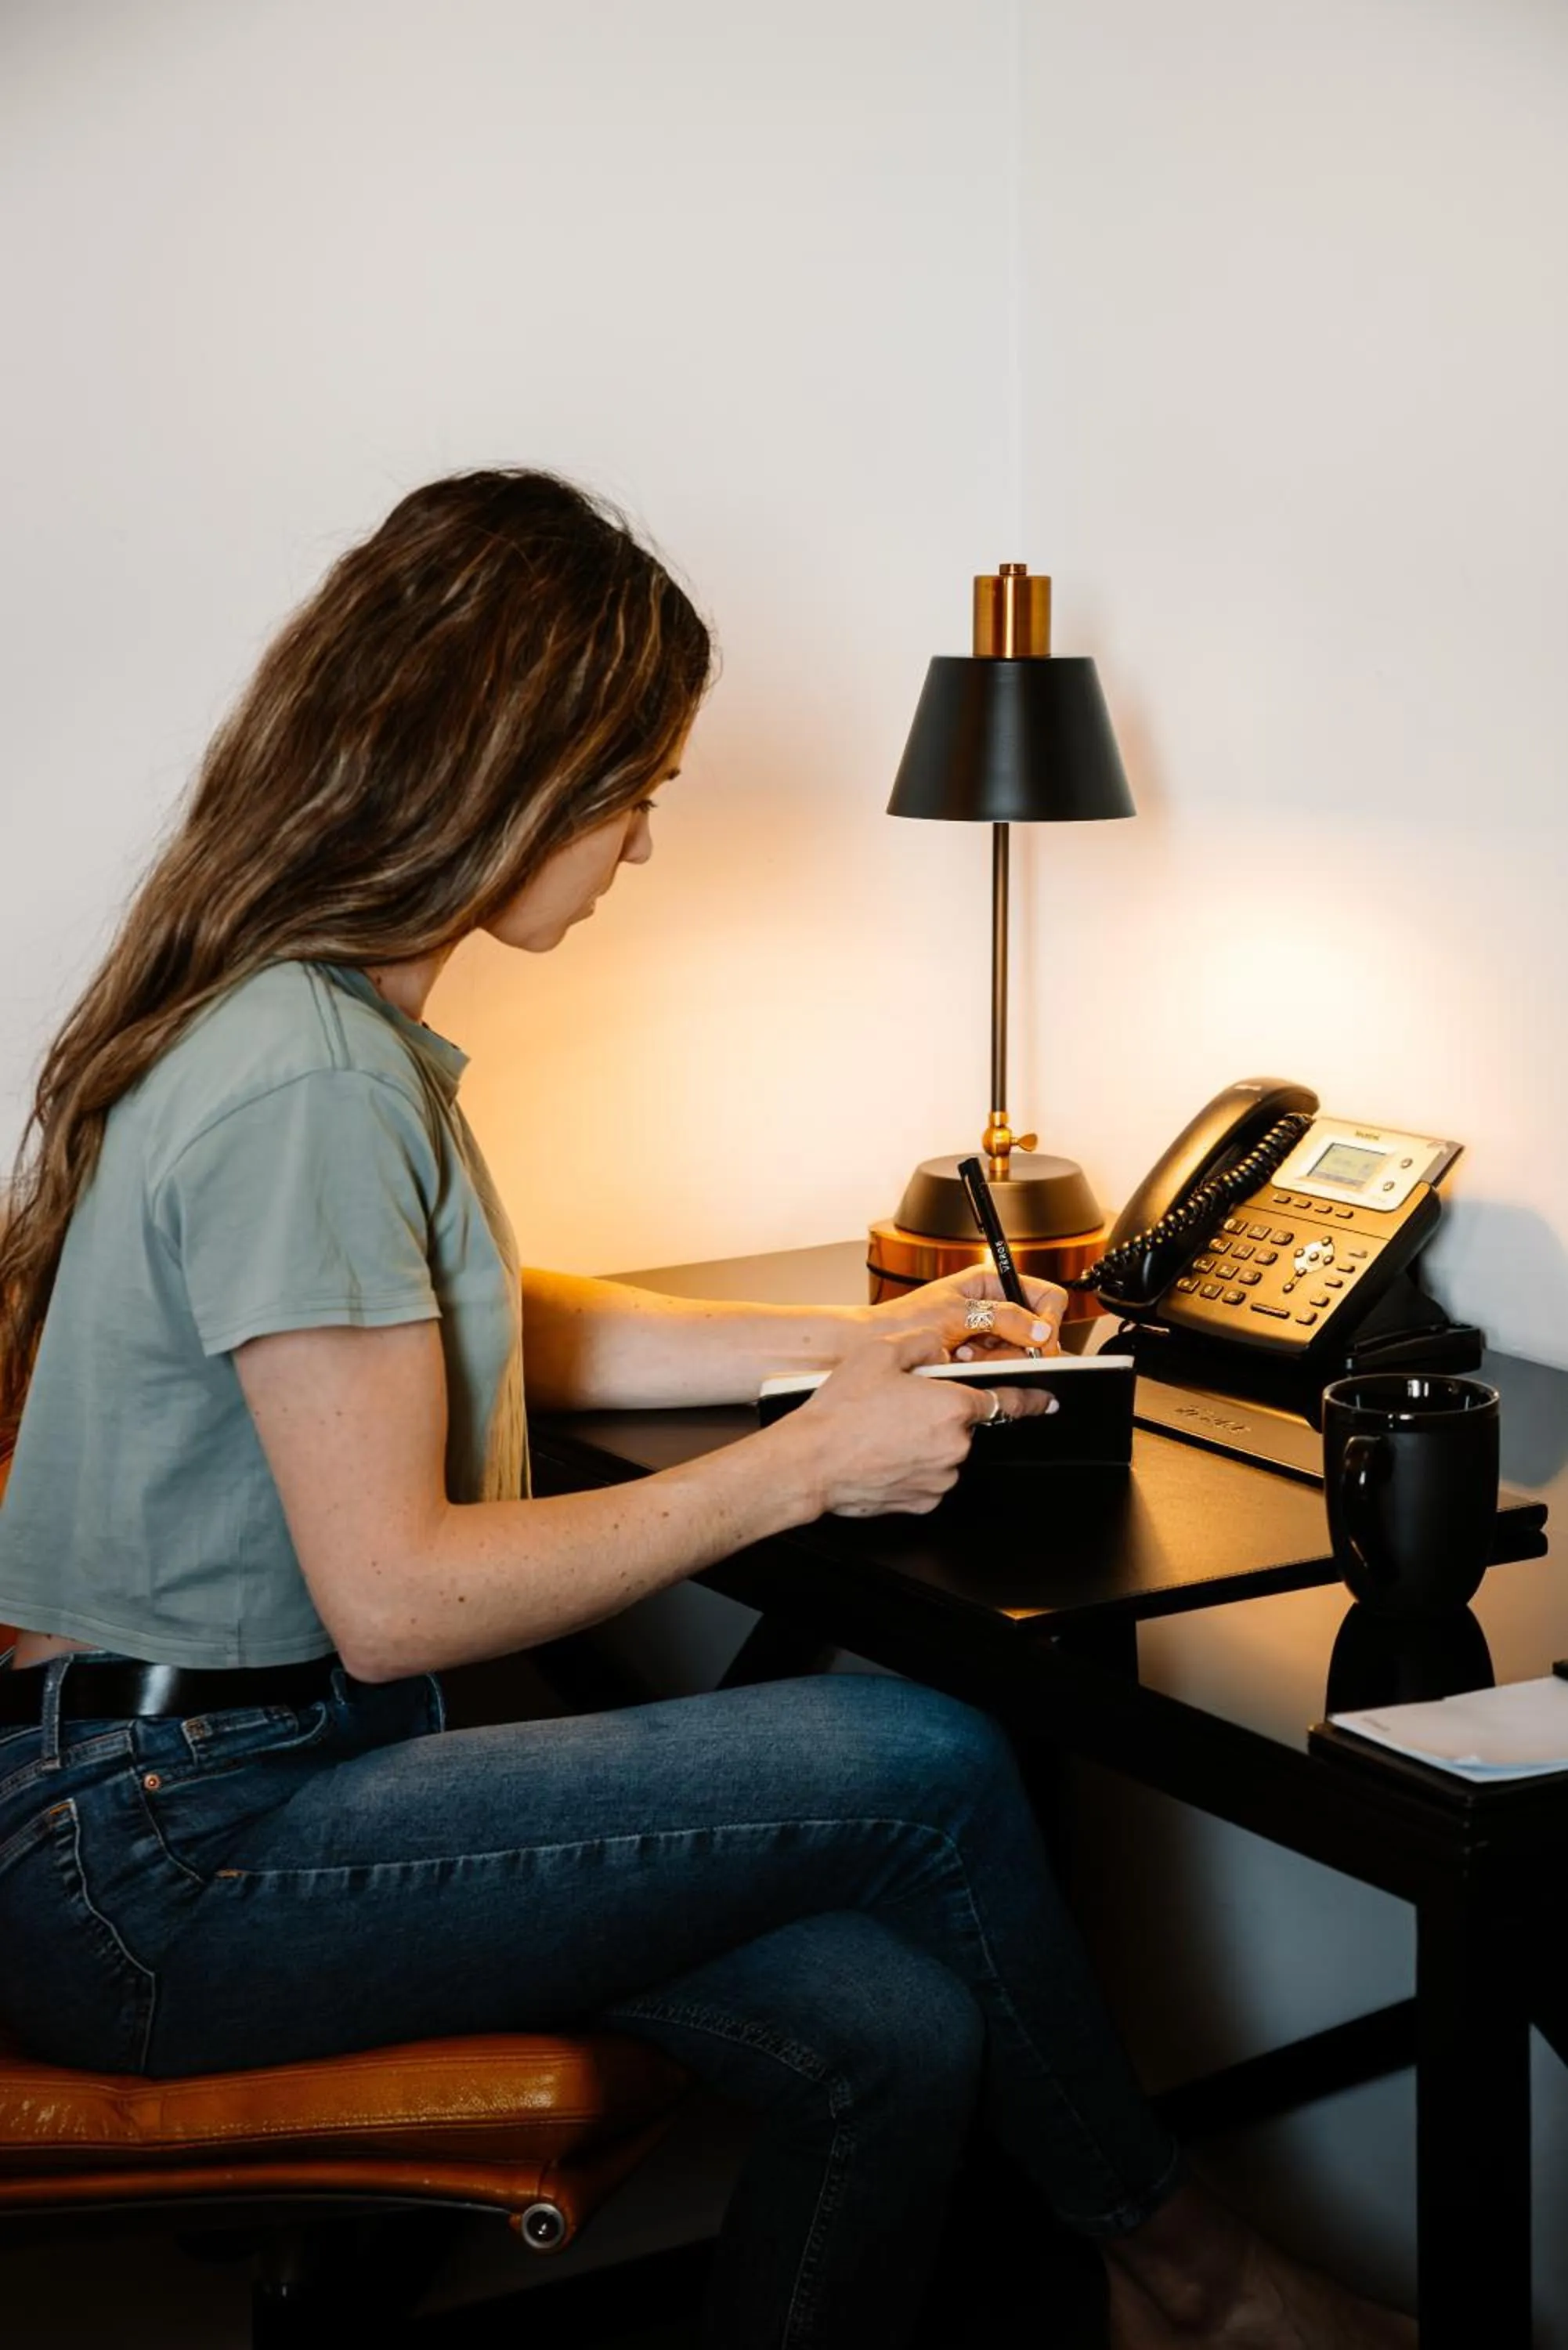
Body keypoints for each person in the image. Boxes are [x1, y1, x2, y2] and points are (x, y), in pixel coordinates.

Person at [0, 470, 1413, 2348]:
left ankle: (1143, 2271)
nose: (642, 845)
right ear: (503, 766)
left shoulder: (312, 1027)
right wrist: (800, 1470)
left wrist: (855, 1348)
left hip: (214, 1803)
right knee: (919, 1753)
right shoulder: (306, 1079)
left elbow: (486, 1322)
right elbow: (398, 1599)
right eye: (634, 790)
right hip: (164, 1865)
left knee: (891, 2033)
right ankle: (1183, 2274)